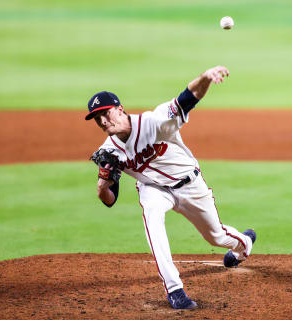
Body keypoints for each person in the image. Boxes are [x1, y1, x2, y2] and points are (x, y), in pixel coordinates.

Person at [85, 66, 256, 310]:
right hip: (153, 188)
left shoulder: (153, 121)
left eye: (105, 113)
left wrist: (205, 78)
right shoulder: (108, 151)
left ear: (120, 109)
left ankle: (243, 245)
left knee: (215, 235)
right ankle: (174, 289)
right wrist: (102, 182)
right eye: (96, 118)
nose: (102, 121)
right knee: (152, 218)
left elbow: (187, 99)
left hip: (189, 184)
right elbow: (110, 199)